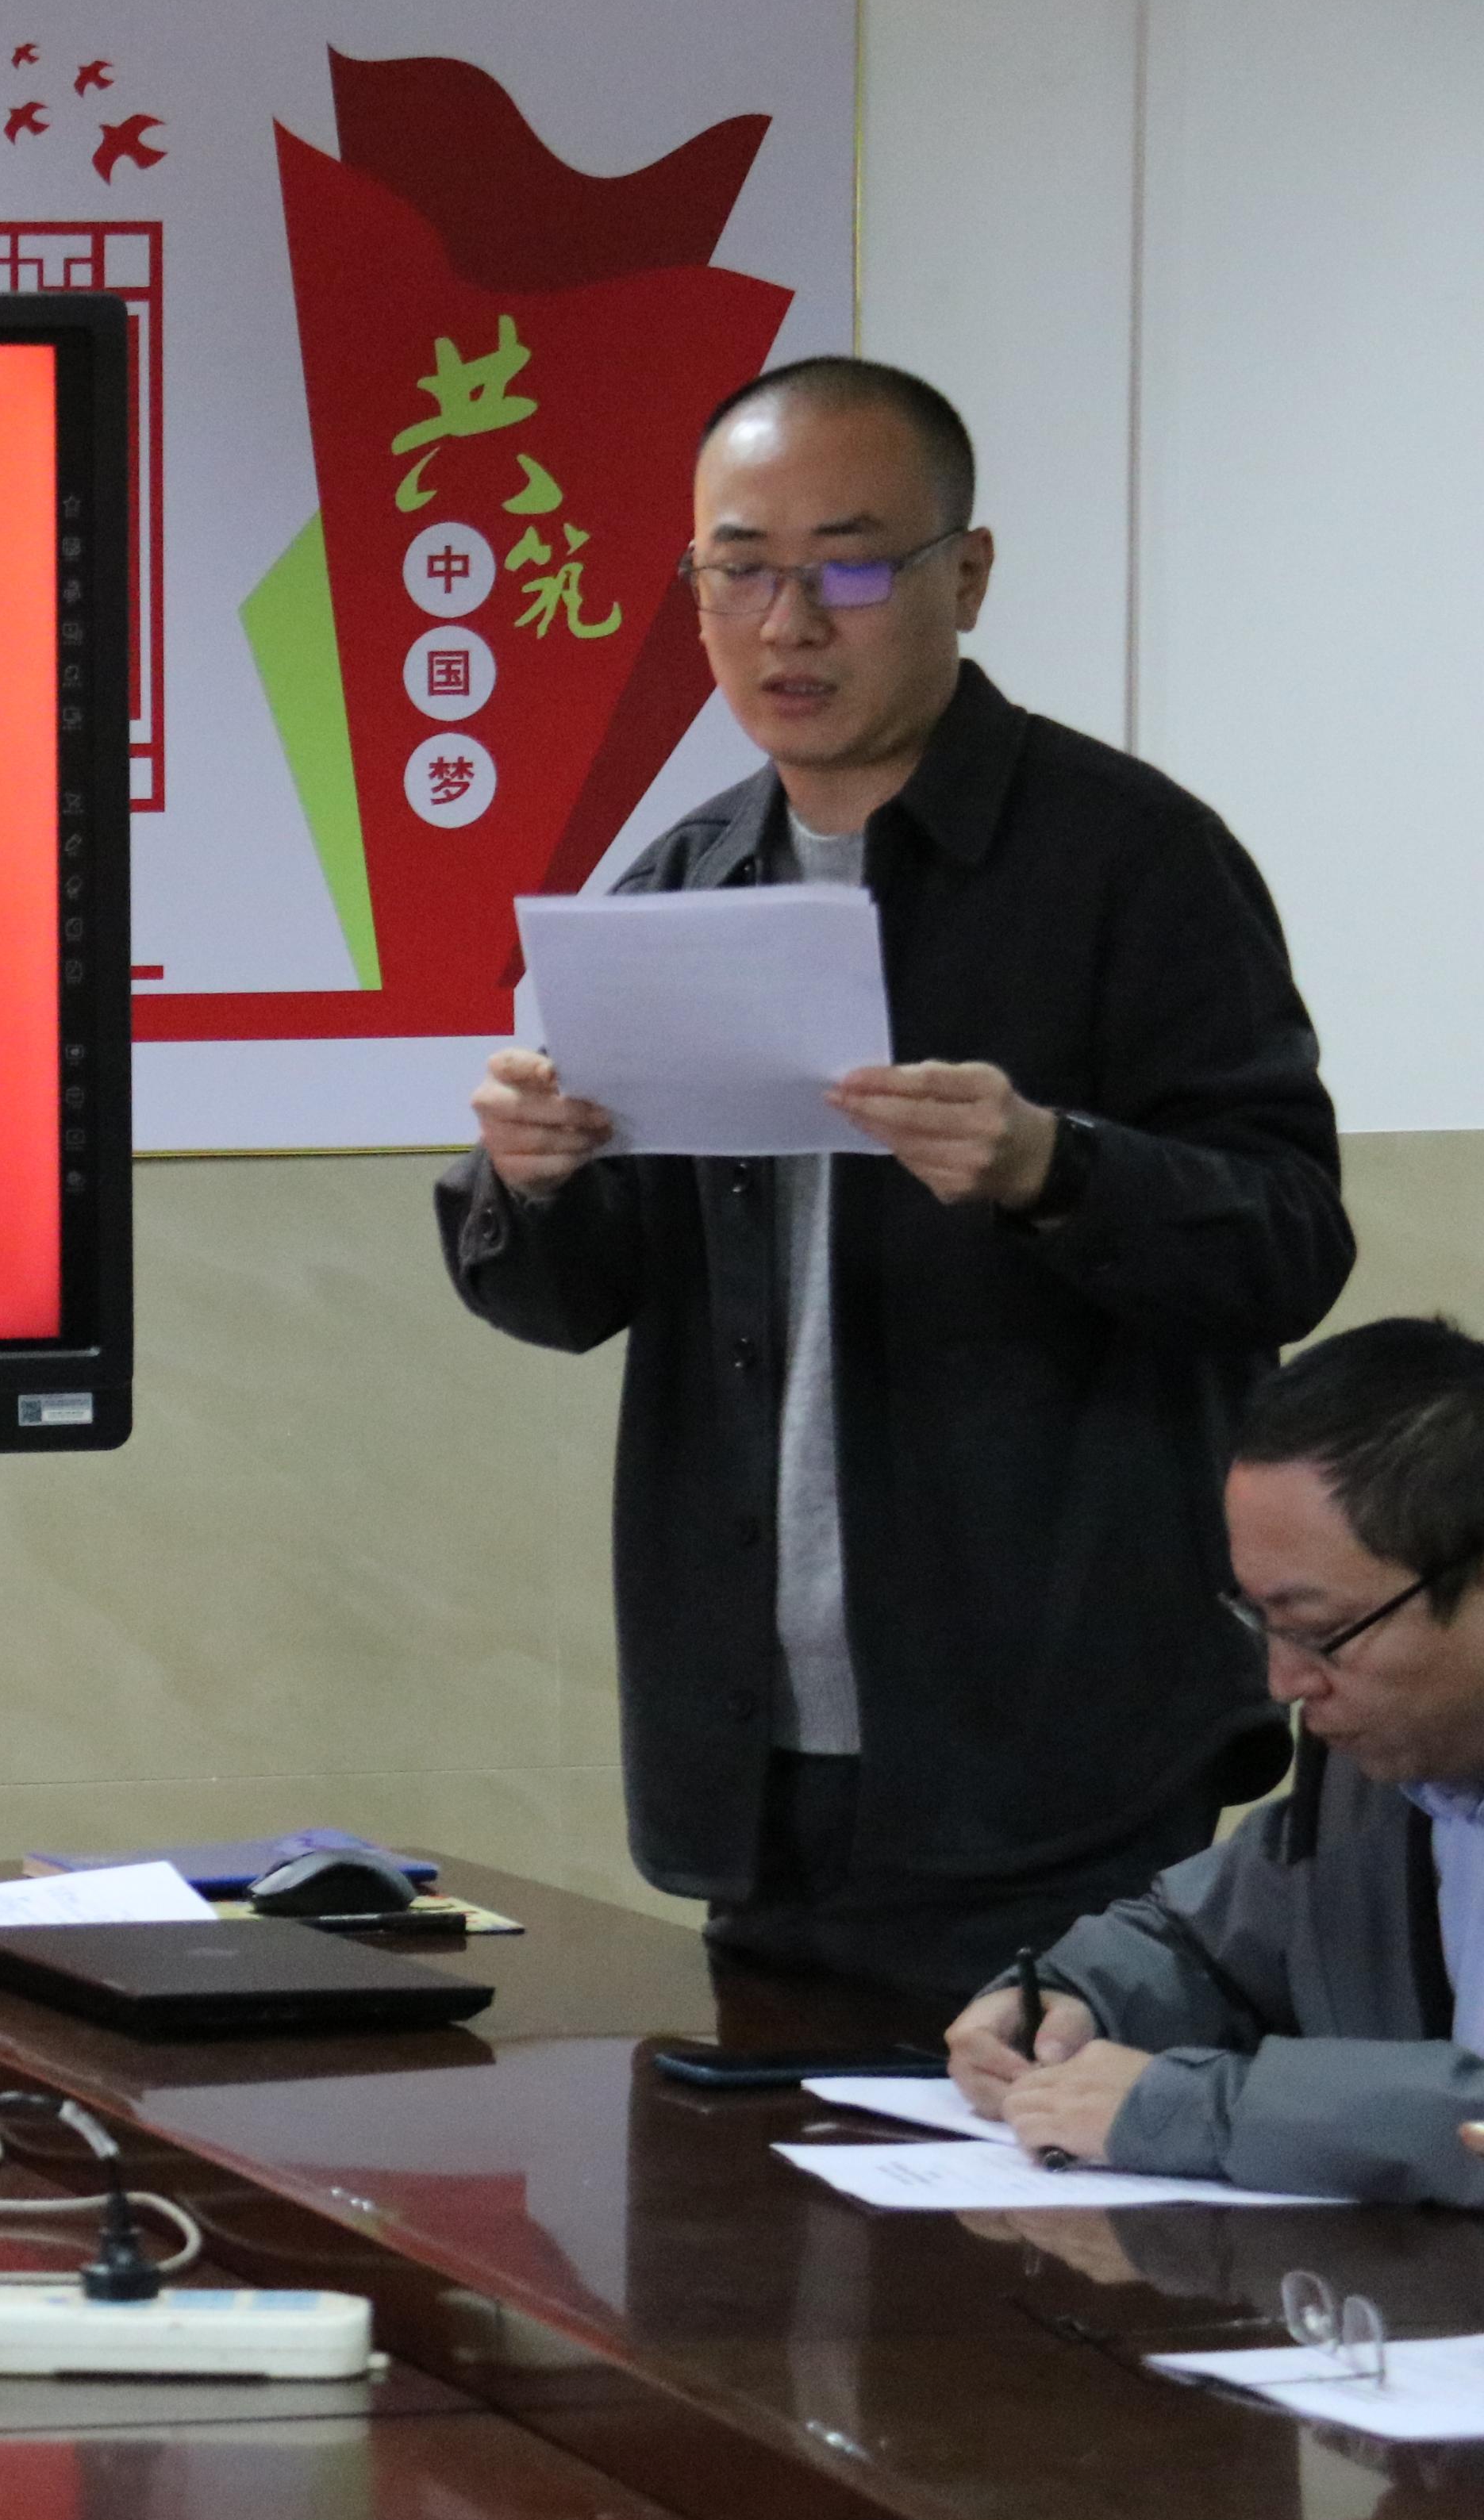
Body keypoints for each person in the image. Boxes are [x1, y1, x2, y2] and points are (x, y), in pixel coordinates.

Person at [438, 355, 1350, 1996]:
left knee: (1046, 2160)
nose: (789, 623)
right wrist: (531, 1176)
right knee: (756, 2160)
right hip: (758, 1751)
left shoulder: (1128, 860)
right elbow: (565, 1301)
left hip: (1055, 1741)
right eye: (739, 569)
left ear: (966, 574)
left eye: (849, 568)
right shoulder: (682, 885)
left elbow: (1288, 1241)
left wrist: (1053, 1165)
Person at [951, 1320, 1484, 2205]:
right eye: (1261, 1623)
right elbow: (1209, 1946)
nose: (1284, 1683)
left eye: (1320, 1631)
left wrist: (1196, 2110)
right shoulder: (1375, 1775)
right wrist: (1067, 2001)